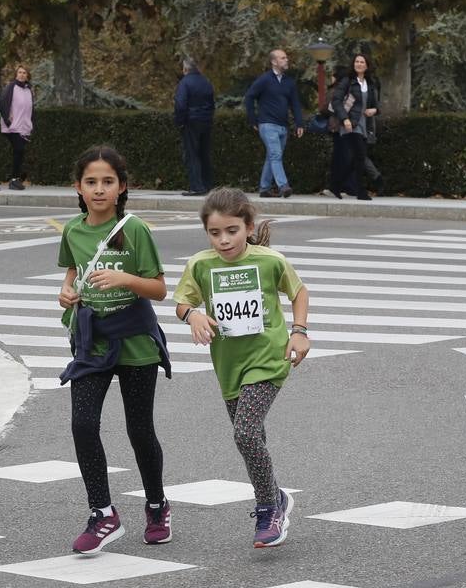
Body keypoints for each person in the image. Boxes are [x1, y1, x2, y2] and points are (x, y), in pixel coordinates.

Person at [174, 189, 311, 547]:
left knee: (245, 434)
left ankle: (269, 509)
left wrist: (299, 332)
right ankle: (276, 496)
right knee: (252, 438)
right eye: (215, 233)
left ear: (248, 227)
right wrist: (193, 315)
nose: (223, 240)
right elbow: (182, 302)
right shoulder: (200, 265)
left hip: (268, 358)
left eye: (232, 230)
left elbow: (298, 292)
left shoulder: (270, 260)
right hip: (229, 365)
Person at [56, 146, 172, 554]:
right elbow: (73, 275)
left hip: (135, 341)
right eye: (91, 182)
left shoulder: (135, 229)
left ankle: (157, 506)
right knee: (82, 424)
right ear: (79, 188)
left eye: (108, 182)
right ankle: (102, 512)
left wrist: (125, 277)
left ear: (121, 187)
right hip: (92, 341)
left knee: (139, 429)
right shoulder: (72, 230)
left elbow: (158, 288)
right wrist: (66, 292)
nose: (99, 189)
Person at [243, 49, 305, 198]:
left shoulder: (289, 82)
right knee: (276, 155)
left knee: (272, 156)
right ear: (274, 61)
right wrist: (253, 119)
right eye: (283, 58)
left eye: (286, 58)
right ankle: (283, 186)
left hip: (283, 126)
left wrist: (299, 123)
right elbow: (249, 97)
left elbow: (295, 104)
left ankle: (264, 188)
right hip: (267, 124)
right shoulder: (264, 80)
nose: (286, 60)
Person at [328, 53, 378, 201]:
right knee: (360, 156)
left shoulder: (370, 83)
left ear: (367, 65)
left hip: (365, 124)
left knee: (356, 159)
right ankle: (361, 191)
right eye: (356, 61)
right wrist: (345, 119)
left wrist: (374, 110)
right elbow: (336, 101)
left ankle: (335, 185)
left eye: (362, 62)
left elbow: (375, 104)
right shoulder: (347, 81)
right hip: (351, 124)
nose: (359, 64)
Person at [173, 59, 215, 196]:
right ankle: (207, 184)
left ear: (185, 70)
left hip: (191, 121)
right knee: (204, 153)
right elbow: (212, 102)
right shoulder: (206, 82)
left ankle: (196, 186)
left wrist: (180, 121)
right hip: (206, 121)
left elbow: (180, 104)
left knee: (192, 154)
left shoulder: (184, 83)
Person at [0, 63, 33, 191]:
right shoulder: (11, 87)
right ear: (16, 75)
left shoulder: (28, 89)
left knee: (20, 152)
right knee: (18, 151)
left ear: (27, 75)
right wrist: (7, 118)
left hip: (24, 127)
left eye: (24, 73)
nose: (22, 75)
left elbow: (30, 109)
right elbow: (1, 103)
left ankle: (16, 178)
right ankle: (13, 180)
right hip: (12, 127)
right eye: (20, 72)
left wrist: (30, 124)